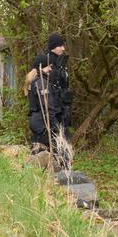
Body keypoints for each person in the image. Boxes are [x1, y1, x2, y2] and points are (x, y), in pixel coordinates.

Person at [27, 33, 73, 168]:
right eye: (60, 45)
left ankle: (58, 175)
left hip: (48, 120)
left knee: (53, 154)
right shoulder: (40, 83)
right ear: (43, 67)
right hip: (43, 122)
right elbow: (47, 107)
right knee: (43, 156)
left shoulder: (43, 81)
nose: (52, 69)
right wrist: (54, 126)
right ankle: (58, 176)